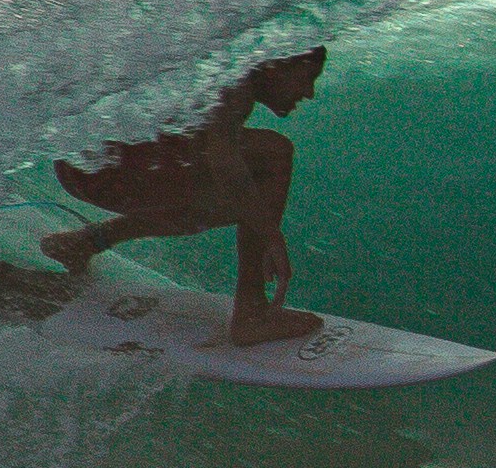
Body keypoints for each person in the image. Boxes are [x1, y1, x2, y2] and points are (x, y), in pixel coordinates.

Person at [25, 49, 331, 345]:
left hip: (78, 170)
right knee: (274, 155)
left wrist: (260, 221)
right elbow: (223, 156)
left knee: (222, 202)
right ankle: (251, 313)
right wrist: (272, 236)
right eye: (306, 77)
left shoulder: (224, 64)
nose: (309, 92)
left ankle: (83, 243)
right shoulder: (236, 82)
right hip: (111, 169)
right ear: (275, 66)